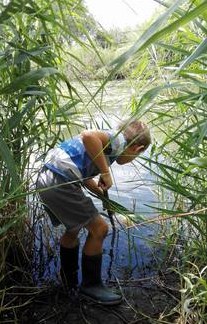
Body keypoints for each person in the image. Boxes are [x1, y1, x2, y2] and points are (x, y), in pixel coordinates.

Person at [36, 119, 151, 305]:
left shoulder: (107, 144)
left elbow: (84, 177)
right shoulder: (117, 140)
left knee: (73, 229)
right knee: (100, 229)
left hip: (49, 178)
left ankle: (68, 278)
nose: (131, 161)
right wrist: (106, 172)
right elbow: (88, 135)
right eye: (136, 157)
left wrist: (104, 197)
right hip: (60, 181)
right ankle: (91, 285)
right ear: (137, 149)